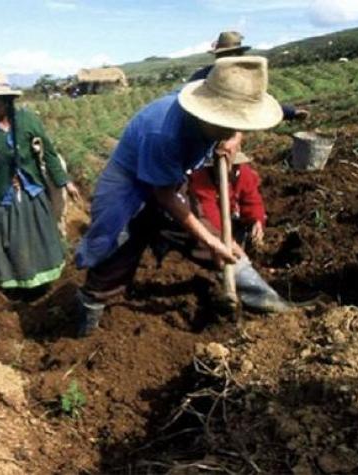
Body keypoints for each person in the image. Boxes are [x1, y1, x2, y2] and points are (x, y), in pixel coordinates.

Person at [74, 56, 289, 337]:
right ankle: (86, 327)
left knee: (220, 242)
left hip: (172, 179)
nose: (231, 130)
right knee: (118, 249)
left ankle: (269, 302)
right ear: (206, 113)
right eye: (227, 124)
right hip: (129, 184)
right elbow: (163, 195)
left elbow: (233, 123)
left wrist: (233, 136)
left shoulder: (218, 116)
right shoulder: (163, 132)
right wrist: (210, 240)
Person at [0, 70, 80, 294]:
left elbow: (50, 153)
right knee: (8, 245)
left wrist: (65, 182)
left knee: (38, 240)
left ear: (7, 100)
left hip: (31, 193)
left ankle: (41, 285)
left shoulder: (27, 120)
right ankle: (11, 288)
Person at [189, 31, 309, 121]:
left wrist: (291, 112)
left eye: (235, 55)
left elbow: (257, 99)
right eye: (227, 55)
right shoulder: (202, 76)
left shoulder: (243, 79)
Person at [188, 152, 267, 251]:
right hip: (209, 227)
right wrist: (229, 243)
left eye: (236, 166)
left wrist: (257, 221)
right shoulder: (201, 180)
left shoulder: (243, 173)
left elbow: (252, 200)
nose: (234, 170)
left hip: (231, 218)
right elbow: (209, 215)